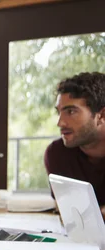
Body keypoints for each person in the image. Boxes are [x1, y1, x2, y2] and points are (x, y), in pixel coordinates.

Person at [44, 72, 105, 218]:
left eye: (71, 111)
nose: (60, 123)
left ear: (101, 116)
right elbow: (70, 212)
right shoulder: (57, 153)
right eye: (59, 112)